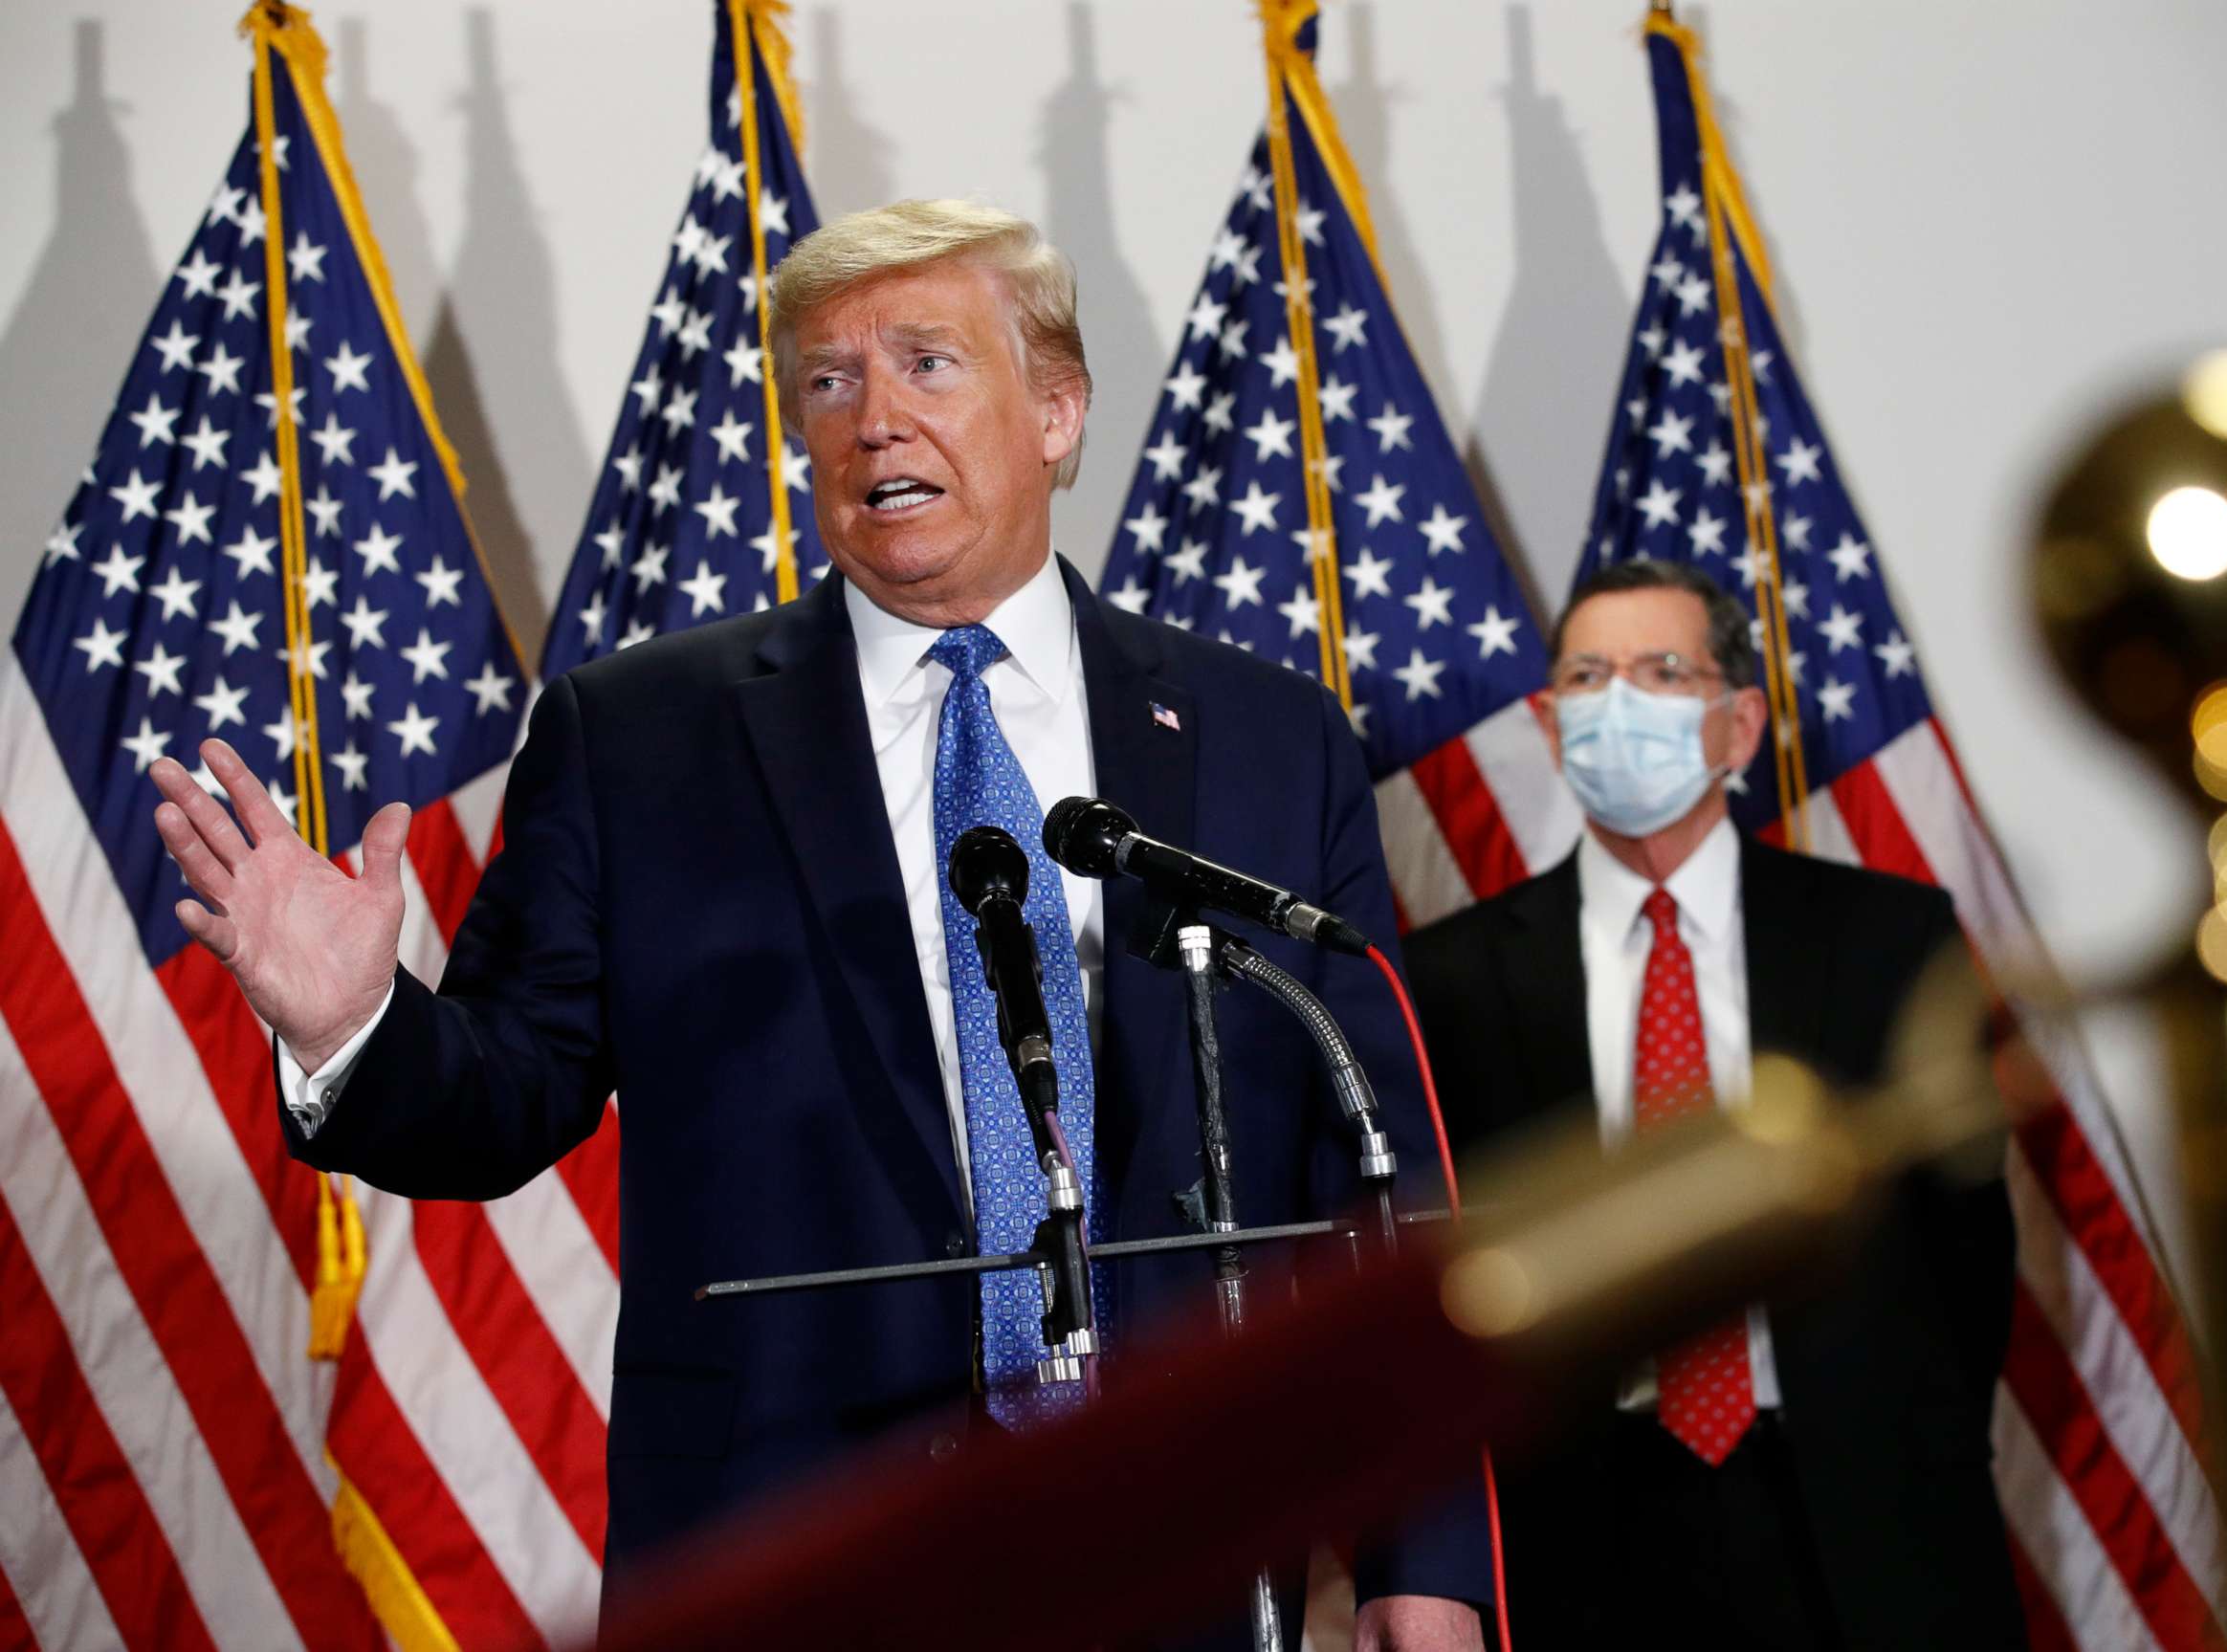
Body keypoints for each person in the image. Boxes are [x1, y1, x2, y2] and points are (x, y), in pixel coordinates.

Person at [146, 200, 1487, 1649]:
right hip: (783, 1556)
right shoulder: (639, 735)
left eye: (927, 363)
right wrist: (352, 1024)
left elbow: (1385, 1181)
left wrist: (1431, 1559)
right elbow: (500, 1095)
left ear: (1056, 410)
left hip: (1181, 1554)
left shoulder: (1267, 740)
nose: (874, 420)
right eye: (830, 382)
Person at [1402, 560, 2022, 1650]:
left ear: (1738, 727)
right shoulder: (1450, 978)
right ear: (1549, 726)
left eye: (1661, 671)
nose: (1618, 704)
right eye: (1589, 676)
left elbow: (1965, 1251)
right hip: (1584, 1534)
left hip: (1864, 1524)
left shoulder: (1889, 938)